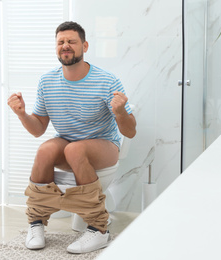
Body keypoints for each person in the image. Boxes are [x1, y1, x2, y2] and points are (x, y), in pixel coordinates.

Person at [7, 21, 136, 254]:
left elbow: (130, 132)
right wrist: (22, 114)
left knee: (74, 150)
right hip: (67, 141)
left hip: (104, 144)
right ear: (56, 48)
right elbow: (38, 130)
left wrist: (120, 112)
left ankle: (99, 230)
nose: (65, 45)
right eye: (61, 42)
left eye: (71, 41)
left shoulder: (107, 80)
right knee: (45, 150)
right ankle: (36, 223)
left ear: (84, 45)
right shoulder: (47, 81)